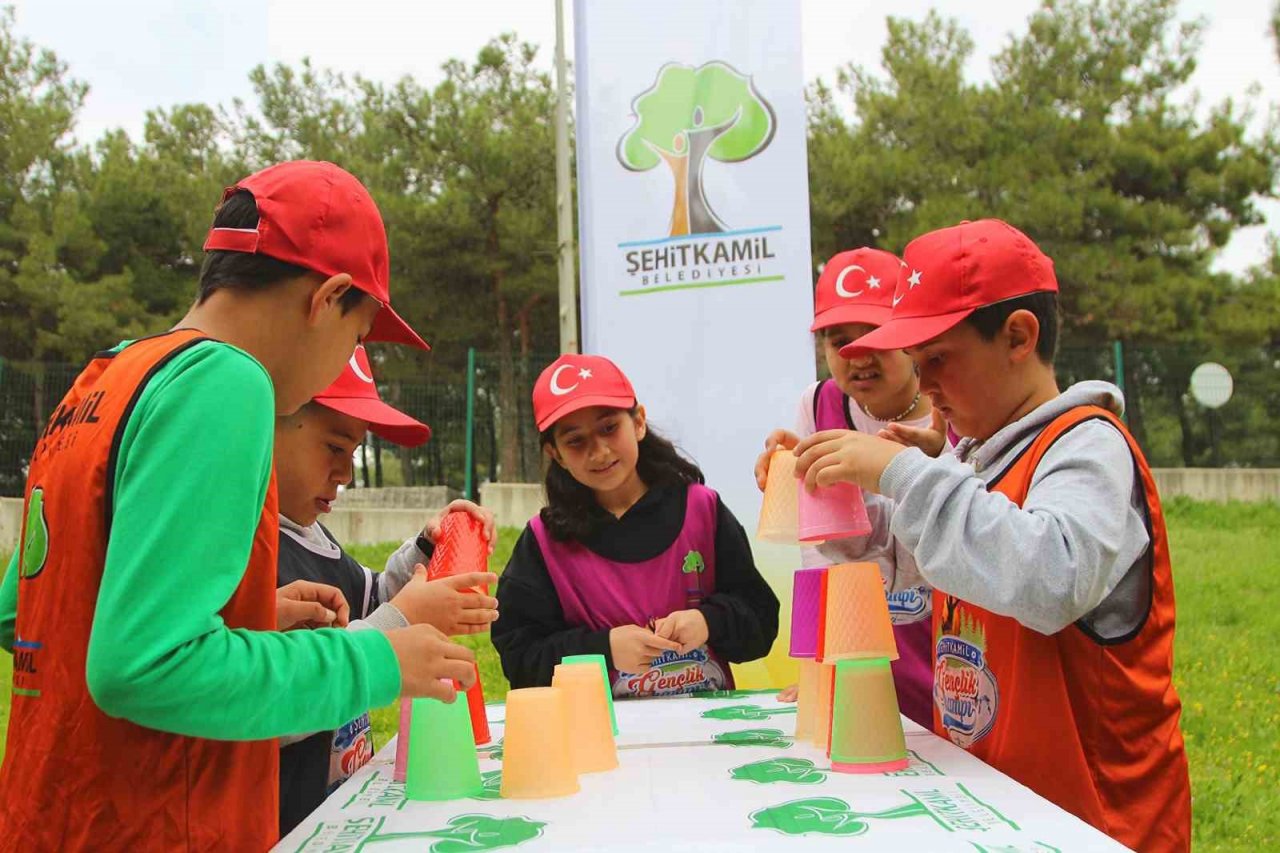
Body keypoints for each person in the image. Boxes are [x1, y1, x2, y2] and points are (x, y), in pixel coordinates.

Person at [0, 161, 476, 851]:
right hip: (156, 827)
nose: (349, 356)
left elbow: (27, 613)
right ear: (330, 296)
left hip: (49, 818)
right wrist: (377, 659)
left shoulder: (106, 377)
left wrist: (244, 619)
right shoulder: (227, 382)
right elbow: (143, 666)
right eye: (359, 333)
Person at [793, 218, 1191, 852]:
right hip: (996, 812)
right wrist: (823, 486)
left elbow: (1049, 577)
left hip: (1095, 824)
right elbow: (902, 570)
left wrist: (904, 472)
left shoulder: (1087, 445)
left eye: (939, 360)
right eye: (917, 364)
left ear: (1018, 336)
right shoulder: (976, 460)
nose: (922, 386)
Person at [273, 345, 499, 835]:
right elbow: (269, 699)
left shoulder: (312, 535)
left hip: (338, 818)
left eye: (354, 453)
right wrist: (401, 619)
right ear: (266, 424)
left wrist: (425, 550)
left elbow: (370, 602)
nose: (347, 473)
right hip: (282, 829)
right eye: (334, 447)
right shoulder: (248, 555)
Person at [492, 354, 779, 697]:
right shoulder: (544, 543)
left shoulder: (703, 510)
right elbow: (520, 660)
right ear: (555, 454)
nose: (599, 452)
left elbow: (762, 622)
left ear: (639, 422)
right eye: (575, 441)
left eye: (609, 428)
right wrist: (605, 648)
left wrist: (708, 621)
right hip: (601, 739)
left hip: (706, 731)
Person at [754, 247, 937, 726]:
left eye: (874, 336)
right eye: (839, 341)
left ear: (909, 335)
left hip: (946, 653)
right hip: (857, 654)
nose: (858, 358)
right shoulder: (818, 405)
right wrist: (818, 661)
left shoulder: (952, 405)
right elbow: (815, 557)